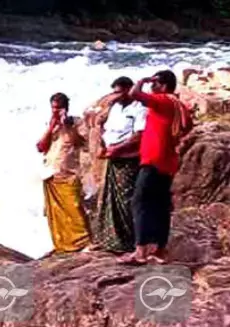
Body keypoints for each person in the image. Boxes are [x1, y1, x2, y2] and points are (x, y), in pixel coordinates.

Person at [118, 69, 192, 265]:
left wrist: (142, 80)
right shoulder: (179, 105)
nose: (152, 86)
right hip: (168, 161)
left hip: (153, 159)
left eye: (155, 83)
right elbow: (187, 127)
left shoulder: (162, 101)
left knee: (139, 202)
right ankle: (159, 249)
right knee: (159, 206)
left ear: (163, 85)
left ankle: (141, 251)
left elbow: (134, 94)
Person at [94, 76, 147, 254]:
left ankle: (131, 241)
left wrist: (119, 148)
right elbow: (105, 128)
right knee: (110, 200)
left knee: (127, 200)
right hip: (113, 158)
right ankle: (112, 240)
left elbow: (139, 135)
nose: (116, 96)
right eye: (115, 92)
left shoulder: (139, 107)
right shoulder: (115, 107)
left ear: (128, 89)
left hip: (129, 159)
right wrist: (104, 143)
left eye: (119, 92)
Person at [37, 92, 92, 256]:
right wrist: (51, 127)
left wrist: (67, 125)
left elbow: (80, 142)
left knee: (74, 207)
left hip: (69, 172)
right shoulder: (51, 124)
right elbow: (40, 147)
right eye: (53, 107)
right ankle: (63, 245)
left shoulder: (76, 123)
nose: (55, 111)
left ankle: (85, 242)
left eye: (58, 108)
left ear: (65, 108)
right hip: (51, 172)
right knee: (55, 213)